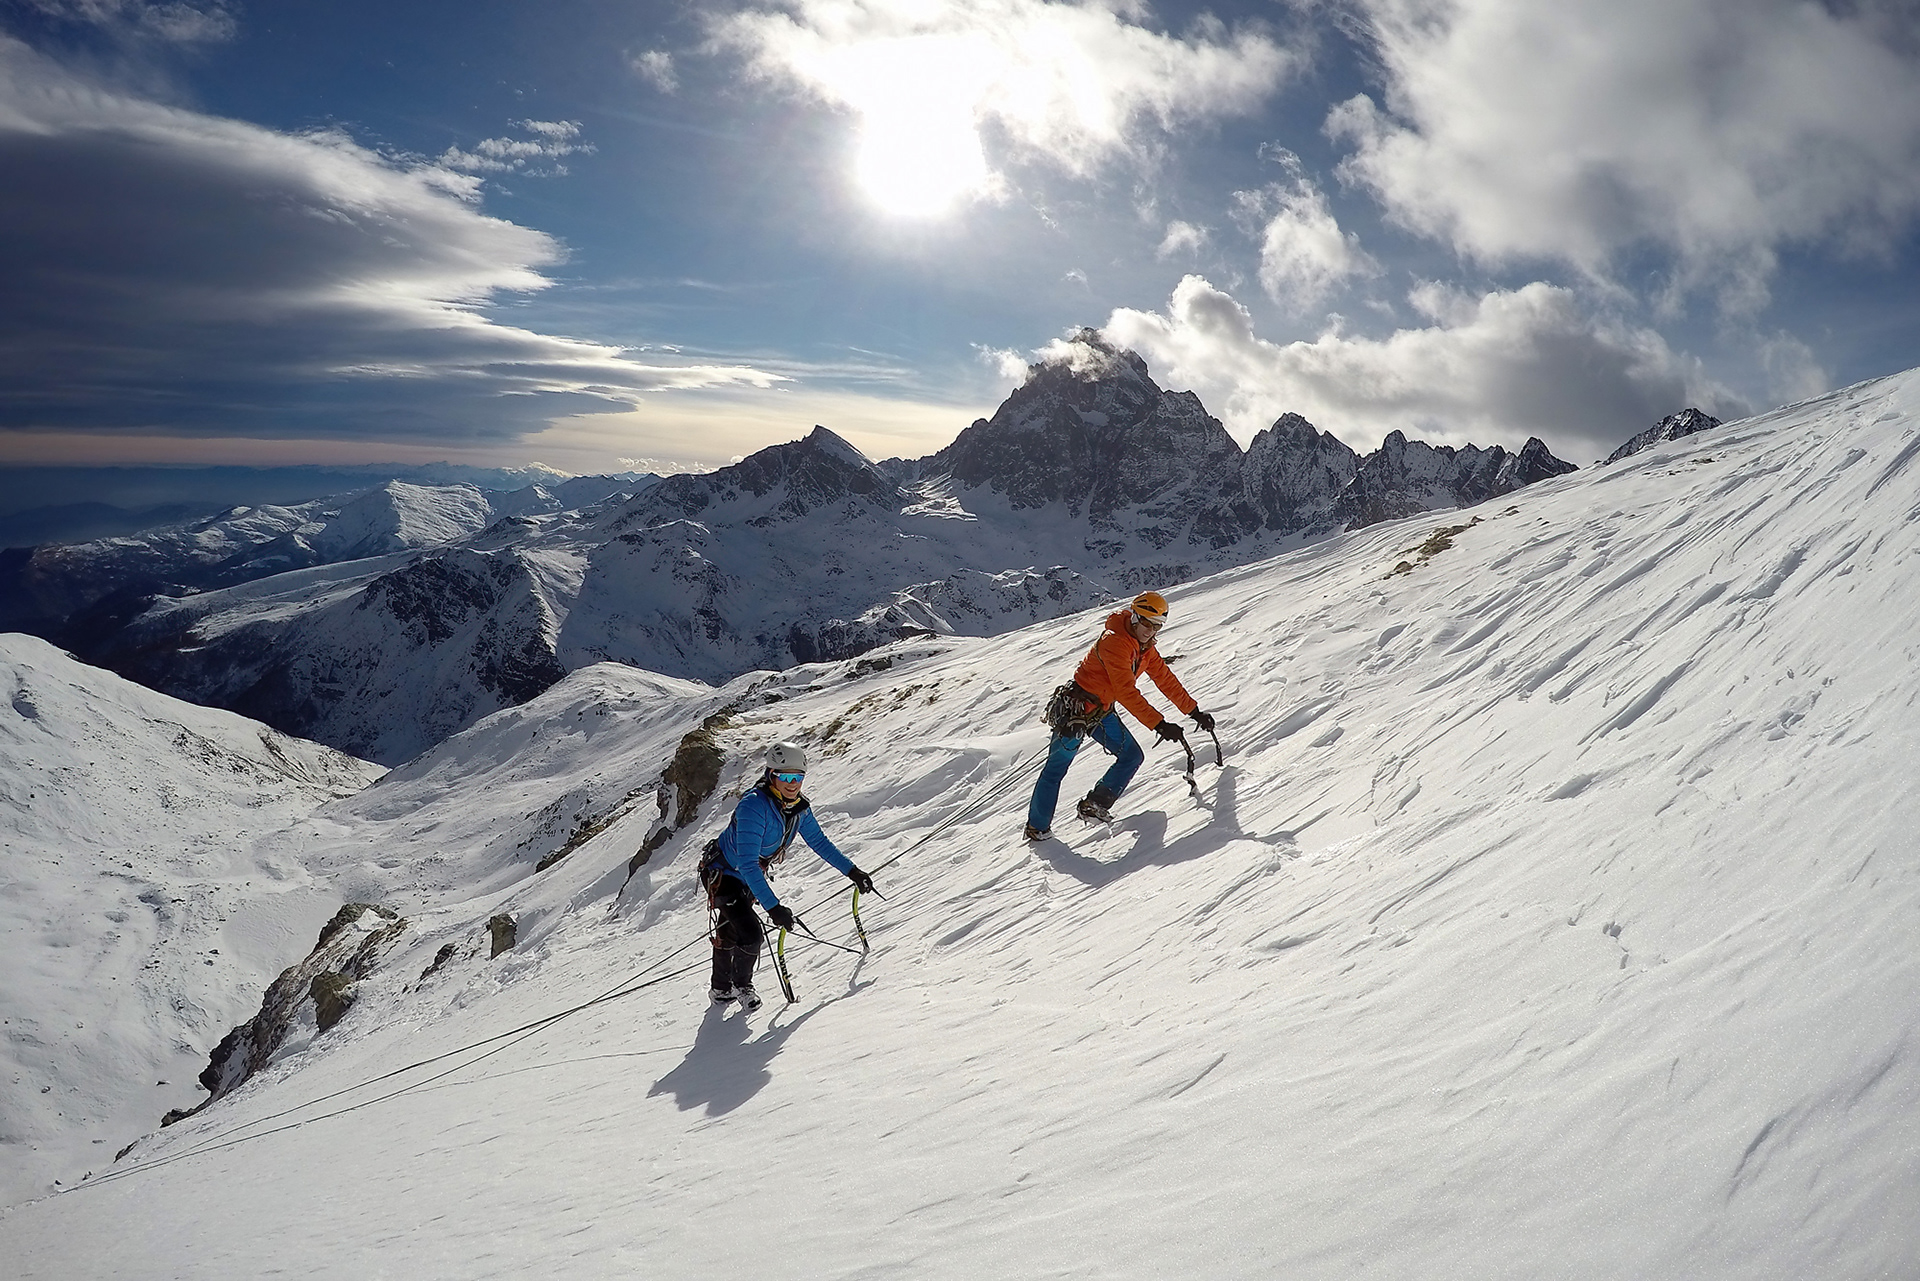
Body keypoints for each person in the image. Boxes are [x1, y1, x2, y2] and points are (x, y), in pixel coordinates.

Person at [1025, 591, 1218, 840]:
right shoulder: (1114, 642)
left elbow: (1165, 679)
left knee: (1131, 756)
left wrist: (1193, 711)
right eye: (1147, 623)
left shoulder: (1145, 648)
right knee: (1056, 769)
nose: (1151, 631)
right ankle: (1037, 828)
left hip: (1100, 711)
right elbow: (1125, 692)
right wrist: (1159, 724)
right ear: (1135, 617)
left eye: (1157, 626)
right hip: (1077, 710)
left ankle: (1095, 804)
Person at [699, 741, 876, 1010]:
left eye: (798, 777)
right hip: (723, 873)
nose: (793, 783)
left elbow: (820, 843)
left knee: (731, 927)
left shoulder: (798, 809)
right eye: (785, 777)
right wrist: (774, 908)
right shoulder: (754, 807)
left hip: (746, 875)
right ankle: (740, 985)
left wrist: (853, 872)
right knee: (750, 932)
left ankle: (721, 989)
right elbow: (747, 863)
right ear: (771, 776)